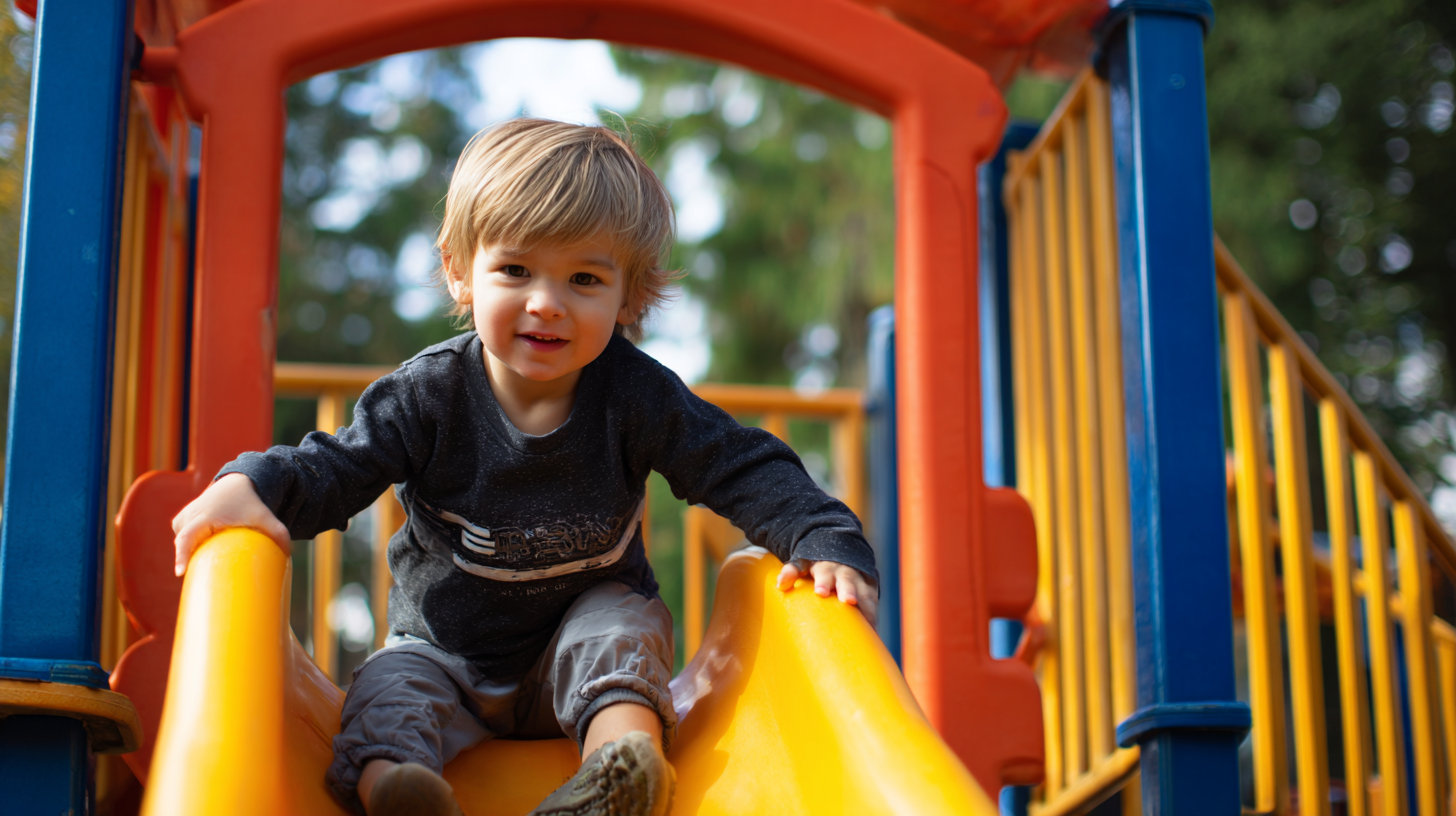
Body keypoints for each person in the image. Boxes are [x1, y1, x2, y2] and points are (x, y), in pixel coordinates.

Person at [170, 118, 878, 816]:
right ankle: (398, 789)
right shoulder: (429, 394)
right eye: (515, 269)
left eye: (584, 278)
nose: (547, 302)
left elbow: (735, 462)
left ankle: (619, 773)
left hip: (580, 642)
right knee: (390, 685)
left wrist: (819, 532)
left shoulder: (635, 396)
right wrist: (255, 484)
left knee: (620, 631)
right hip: (444, 650)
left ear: (628, 297)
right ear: (460, 270)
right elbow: (341, 466)